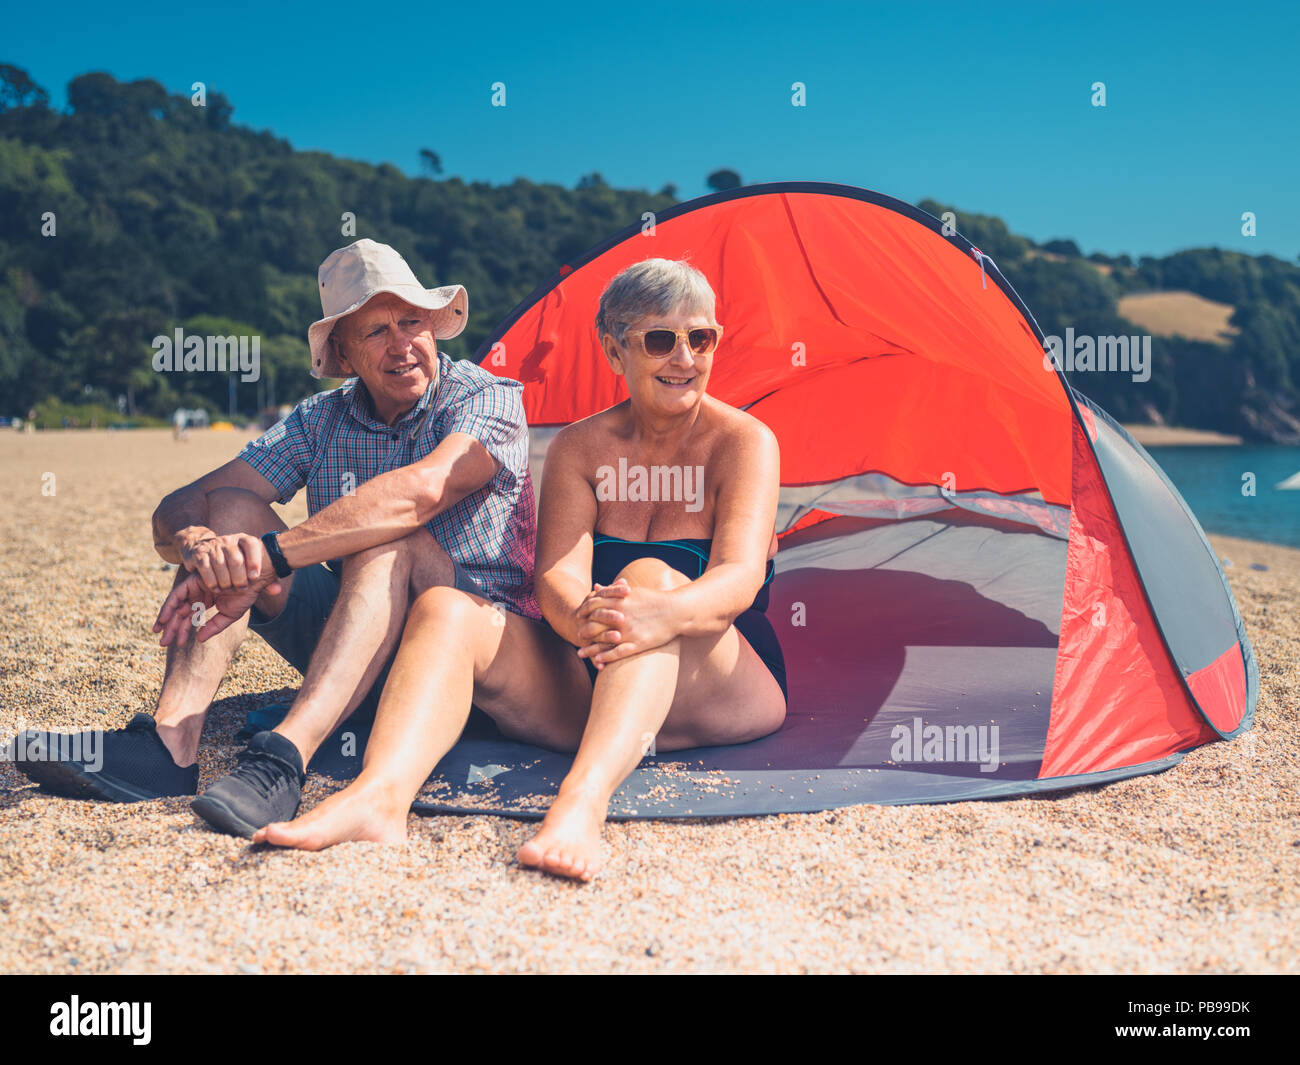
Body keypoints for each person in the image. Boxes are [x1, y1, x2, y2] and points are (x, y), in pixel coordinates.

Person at [253, 258, 787, 881]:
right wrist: (579, 619)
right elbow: (555, 579)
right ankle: (380, 797)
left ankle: (580, 805)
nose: (686, 358)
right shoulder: (580, 448)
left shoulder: (744, 442)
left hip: (718, 680)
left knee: (646, 577)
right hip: (596, 664)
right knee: (447, 609)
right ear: (615, 353)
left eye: (702, 339)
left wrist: (655, 610)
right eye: (662, 341)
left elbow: (738, 579)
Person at [14, 239, 540, 839]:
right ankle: (169, 744)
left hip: (473, 646)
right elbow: (182, 503)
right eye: (374, 332)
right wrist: (198, 545)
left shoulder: (485, 397)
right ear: (341, 351)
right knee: (233, 512)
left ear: (434, 326)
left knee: (387, 538)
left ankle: (285, 758)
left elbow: (420, 493)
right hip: (357, 637)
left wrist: (270, 557)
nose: (401, 344)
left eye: (412, 321)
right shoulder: (323, 418)